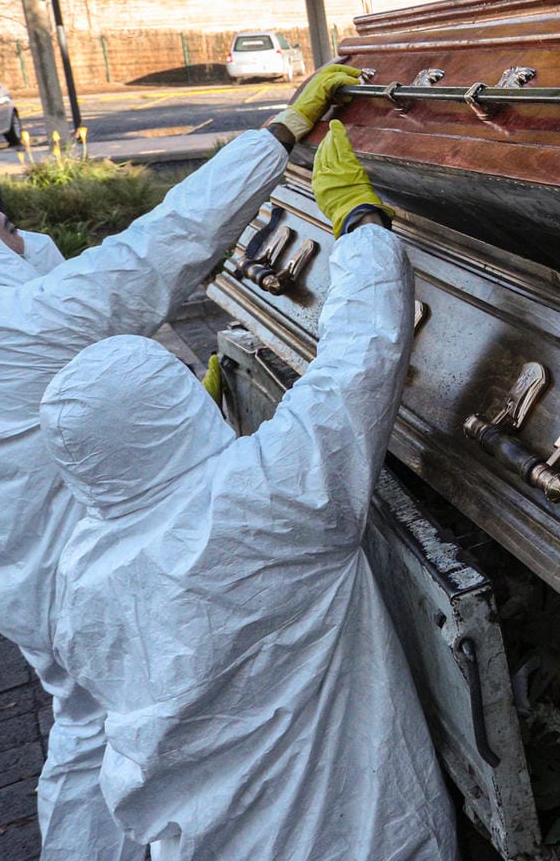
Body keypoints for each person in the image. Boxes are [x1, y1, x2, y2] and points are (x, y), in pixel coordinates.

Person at [0, 64, 362, 860]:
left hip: (29, 583)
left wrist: (183, 414)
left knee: (90, 730)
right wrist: (280, 134)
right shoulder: (4, 327)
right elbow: (159, 250)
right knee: (109, 740)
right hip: (77, 589)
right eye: (2, 230)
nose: (22, 237)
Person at [41, 120, 456, 861]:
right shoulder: (265, 497)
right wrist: (359, 224)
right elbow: (362, 357)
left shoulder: (78, 572)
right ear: (167, 418)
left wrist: (202, 432)